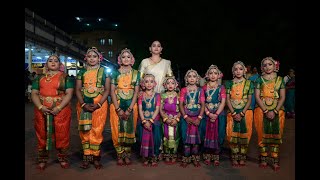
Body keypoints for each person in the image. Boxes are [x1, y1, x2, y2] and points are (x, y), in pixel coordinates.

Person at [31, 54, 74, 170]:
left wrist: (58, 108)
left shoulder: (66, 78)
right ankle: (42, 159)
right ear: (46, 64)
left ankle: (62, 157)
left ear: (60, 64)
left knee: (62, 134)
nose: (53, 62)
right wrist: (40, 107)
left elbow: (69, 94)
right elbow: (34, 93)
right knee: (42, 133)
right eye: (50, 61)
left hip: (61, 110)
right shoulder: (39, 78)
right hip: (42, 111)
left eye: (56, 61)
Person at [75, 47, 110, 169]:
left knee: (97, 129)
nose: (92, 58)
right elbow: (78, 90)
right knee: (84, 130)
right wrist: (83, 104)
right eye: (89, 56)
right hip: (83, 104)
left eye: (94, 56)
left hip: (99, 105)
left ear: (99, 58)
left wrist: (99, 104)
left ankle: (96, 157)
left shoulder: (104, 71)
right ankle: (86, 156)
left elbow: (107, 90)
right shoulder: (81, 72)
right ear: (86, 58)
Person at [109, 48, 141, 166]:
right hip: (116, 105)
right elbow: (112, 92)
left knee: (129, 130)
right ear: (119, 59)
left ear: (132, 59)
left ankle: (127, 154)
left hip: (132, 106)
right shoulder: (114, 73)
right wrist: (118, 109)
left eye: (128, 56)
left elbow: (136, 92)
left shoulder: (136, 73)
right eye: (123, 57)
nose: (126, 59)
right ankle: (119, 154)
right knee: (116, 131)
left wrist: (129, 109)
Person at [254, 57, 285, 171]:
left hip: (278, 110)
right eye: (265, 65)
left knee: (276, 134)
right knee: (262, 133)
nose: (267, 67)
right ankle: (264, 157)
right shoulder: (259, 80)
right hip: (261, 110)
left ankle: (275, 158)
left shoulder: (280, 80)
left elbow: (282, 97)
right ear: (262, 67)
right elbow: (257, 97)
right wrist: (266, 111)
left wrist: (275, 111)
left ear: (275, 66)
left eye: (270, 64)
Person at [225, 61, 254, 167]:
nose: (238, 71)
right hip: (232, 112)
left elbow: (250, 100)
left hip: (246, 112)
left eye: (240, 69)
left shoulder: (249, 83)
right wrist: (233, 113)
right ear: (233, 71)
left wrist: (241, 113)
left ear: (244, 70)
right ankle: (234, 156)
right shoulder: (229, 83)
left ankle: (242, 156)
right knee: (232, 135)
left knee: (244, 135)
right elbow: (227, 99)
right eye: (236, 69)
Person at [179, 69, 205, 168]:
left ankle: (195, 159)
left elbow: (203, 105)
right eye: (189, 76)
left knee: (196, 141)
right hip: (186, 118)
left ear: (197, 78)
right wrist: (185, 117)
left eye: (194, 76)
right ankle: (186, 158)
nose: (192, 78)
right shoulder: (183, 90)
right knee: (186, 139)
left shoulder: (200, 90)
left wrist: (199, 118)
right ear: (186, 79)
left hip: (197, 118)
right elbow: (181, 105)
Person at [202, 65, 226, 166]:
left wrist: (215, 114)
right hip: (206, 114)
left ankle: (216, 155)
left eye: (215, 73)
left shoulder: (221, 88)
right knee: (206, 133)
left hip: (218, 114)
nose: (213, 75)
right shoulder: (203, 88)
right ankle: (207, 154)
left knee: (218, 133)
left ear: (219, 75)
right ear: (207, 75)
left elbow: (223, 102)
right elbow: (202, 102)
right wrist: (208, 113)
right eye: (210, 73)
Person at [138, 74, 161, 167]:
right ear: (143, 83)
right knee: (144, 140)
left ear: (154, 83)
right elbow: (140, 109)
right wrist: (144, 121)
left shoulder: (158, 95)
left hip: (154, 121)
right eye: (146, 81)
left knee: (155, 139)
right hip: (143, 121)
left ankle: (154, 156)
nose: (149, 83)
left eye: (151, 81)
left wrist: (150, 121)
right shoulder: (141, 95)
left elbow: (157, 109)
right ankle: (146, 157)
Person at [159, 76, 181, 165]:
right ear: (165, 85)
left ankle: (174, 154)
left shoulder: (179, 96)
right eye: (168, 83)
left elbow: (181, 109)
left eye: (172, 83)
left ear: (176, 85)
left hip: (176, 119)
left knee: (175, 136)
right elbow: (160, 109)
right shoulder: (162, 95)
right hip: (166, 119)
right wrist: (165, 118)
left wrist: (177, 119)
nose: (170, 85)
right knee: (166, 136)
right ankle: (167, 154)